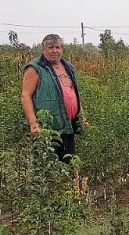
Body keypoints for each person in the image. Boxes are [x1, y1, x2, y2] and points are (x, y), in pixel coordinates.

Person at [21, 34, 84, 162]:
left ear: (62, 49)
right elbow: (25, 96)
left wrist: (82, 117)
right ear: (43, 50)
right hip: (47, 128)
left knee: (69, 165)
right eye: (50, 47)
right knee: (48, 168)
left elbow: (74, 94)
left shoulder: (68, 67)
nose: (55, 50)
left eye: (58, 47)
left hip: (67, 126)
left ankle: (70, 183)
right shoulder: (35, 68)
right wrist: (33, 124)